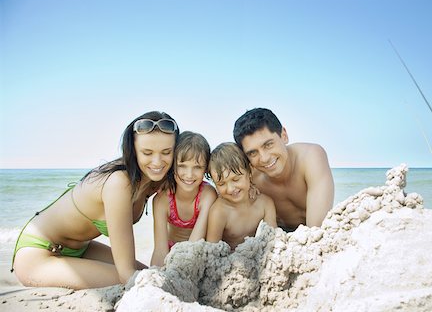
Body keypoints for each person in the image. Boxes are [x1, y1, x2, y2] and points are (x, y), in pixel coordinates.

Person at [11, 111, 179, 289]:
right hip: (39, 254)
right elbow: (126, 274)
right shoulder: (119, 182)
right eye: (147, 152)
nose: (157, 161)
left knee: (148, 275)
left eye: (166, 152)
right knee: (138, 282)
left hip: (82, 249)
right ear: (133, 151)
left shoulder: (154, 179)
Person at [233, 107, 334, 232]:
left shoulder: (310, 157)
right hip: (280, 236)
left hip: (311, 235)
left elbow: (315, 230)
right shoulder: (249, 179)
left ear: (284, 136)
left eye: (268, 145)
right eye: (253, 153)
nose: (264, 158)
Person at [151, 131, 217, 267]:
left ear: (205, 169)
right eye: (182, 166)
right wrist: (154, 276)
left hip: (197, 253)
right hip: (171, 253)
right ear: (172, 165)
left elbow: (194, 246)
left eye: (197, 167)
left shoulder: (207, 195)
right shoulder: (162, 200)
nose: (189, 174)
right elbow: (159, 250)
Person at [206, 142, 277, 250]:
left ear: (249, 172)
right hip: (229, 262)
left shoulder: (265, 204)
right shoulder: (219, 212)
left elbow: (274, 242)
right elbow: (212, 252)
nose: (230, 189)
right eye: (221, 184)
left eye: (236, 179)